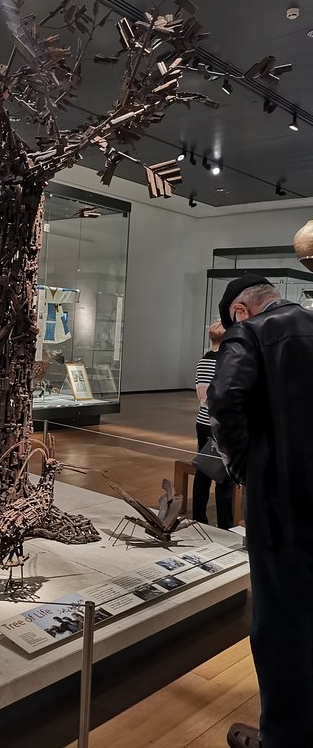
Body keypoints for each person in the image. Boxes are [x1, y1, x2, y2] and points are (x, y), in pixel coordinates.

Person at [207, 273, 313, 748]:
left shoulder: (248, 334)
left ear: (240, 310)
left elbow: (223, 400)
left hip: (281, 507)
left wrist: (245, 467)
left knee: (280, 627)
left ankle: (284, 739)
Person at [192, 320, 236, 529]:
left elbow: (200, 393)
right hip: (222, 423)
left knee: (203, 470)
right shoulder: (226, 362)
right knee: (225, 476)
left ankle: (198, 517)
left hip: (203, 421)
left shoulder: (203, 361)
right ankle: (225, 525)